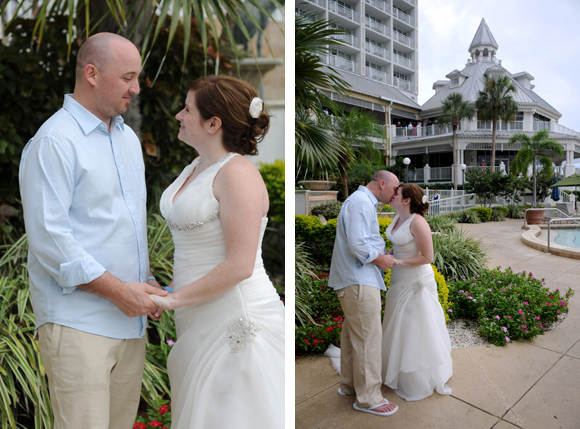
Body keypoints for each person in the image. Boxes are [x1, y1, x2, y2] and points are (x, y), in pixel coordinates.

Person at [19, 33, 168, 429]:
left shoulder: (127, 138)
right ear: (91, 74)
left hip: (128, 323)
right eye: (128, 78)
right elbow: (52, 242)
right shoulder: (54, 141)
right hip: (78, 325)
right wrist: (121, 292)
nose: (136, 88)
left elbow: (128, 225)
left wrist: (145, 280)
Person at [148, 76, 285, 428]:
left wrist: (172, 300)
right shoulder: (195, 168)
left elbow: (239, 265)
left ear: (213, 123)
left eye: (187, 109)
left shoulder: (237, 174)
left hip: (235, 315)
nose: (178, 115)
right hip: (197, 317)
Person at [328, 170, 400, 417]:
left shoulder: (360, 201)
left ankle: (349, 385)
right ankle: (368, 398)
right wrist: (382, 260)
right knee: (369, 339)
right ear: (382, 183)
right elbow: (358, 244)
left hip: (353, 280)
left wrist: (381, 252)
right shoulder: (361, 202)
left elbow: (361, 240)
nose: (394, 195)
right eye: (393, 189)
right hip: (359, 281)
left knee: (351, 337)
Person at [381, 184, 453, 401]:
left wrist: (395, 262)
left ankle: (417, 378)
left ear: (406, 200)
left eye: (397, 193)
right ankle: (394, 367)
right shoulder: (397, 217)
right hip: (399, 279)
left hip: (416, 280)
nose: (392, 195)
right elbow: (399, 243)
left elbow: (427, 257)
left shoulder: (418, 222)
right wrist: (390, 252)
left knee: (415, 325)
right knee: (397, 322)